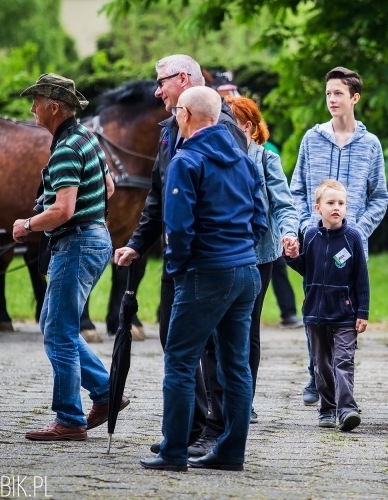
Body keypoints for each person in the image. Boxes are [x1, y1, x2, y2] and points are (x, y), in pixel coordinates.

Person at [113, 54, 246, 456]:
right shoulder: (172, 129)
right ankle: (189, 431)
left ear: (184, 80)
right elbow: (158, 196)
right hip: (189, 260)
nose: (156, 90)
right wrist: (137, 243)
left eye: (162, 82)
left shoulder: (220, 130)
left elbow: (237, 202)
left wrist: (190, 258)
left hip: (204, 263)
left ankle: (211, 434)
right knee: (178, 342)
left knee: (206, 353)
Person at [139, 86, 266, 472]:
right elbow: (261, 219)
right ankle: (231, 452)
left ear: (187, 114)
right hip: (246, 273)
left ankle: (174, 451)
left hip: (206, 272)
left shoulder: (186, 159)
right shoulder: (244, 159)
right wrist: (240, 249)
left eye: (178, 110)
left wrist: (178, 270)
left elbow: (177, 228)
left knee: (179, 361)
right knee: (236, 366)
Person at [13, 73, 128, 440]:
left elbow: (62, 210)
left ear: (54, 107)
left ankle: (69, 419)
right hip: (94, 239)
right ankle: (108, 393)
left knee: (59, 333)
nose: (31, 108)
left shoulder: (65, 148)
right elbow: (108, 186)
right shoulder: (87, 139)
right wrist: (89, 214)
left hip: (76, 244)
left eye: (36, 101)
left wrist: (28, 224)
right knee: (55, 325)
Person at [290, 66, 388, 405]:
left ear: (354, 98)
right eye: (328, 93)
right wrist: (305, 226)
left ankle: (340, 377)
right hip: (315, 243)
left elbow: (380, 196)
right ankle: (315, 376)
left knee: (345, 311)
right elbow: (297, 189)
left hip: (351, 245)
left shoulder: (370, 144)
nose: (332, 99)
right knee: (313, 306)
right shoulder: (311, 139)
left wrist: (359, 230)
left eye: (338, 94)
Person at [225, 96, 299, 423]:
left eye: (229, 121)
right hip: (222, 255)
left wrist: (289, 233)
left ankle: (245, 401)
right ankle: (220, 398)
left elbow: (283, 205)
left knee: (247, 327)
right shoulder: (216, 157)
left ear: (248, 126)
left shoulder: (266, 159)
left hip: (259, 257)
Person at [284, 179, 369, 431]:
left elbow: (361, 279)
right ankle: (327, 408)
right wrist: (291, 257)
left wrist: (362, 312)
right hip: (315, 314)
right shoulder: (310, 235)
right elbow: (305, 269)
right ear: (317, 207)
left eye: (341, 203)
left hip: (344, 313)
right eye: (330, 203)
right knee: (321, 364)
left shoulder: (353, 237)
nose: (336, 207)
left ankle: (347, 410)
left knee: (343, 361)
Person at [265, 140, 304, 329]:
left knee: (278, 267)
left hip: (272, 223)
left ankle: (288, 313)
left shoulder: (269, 150)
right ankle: (288, 313)